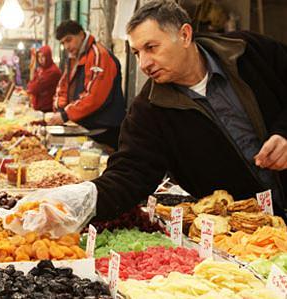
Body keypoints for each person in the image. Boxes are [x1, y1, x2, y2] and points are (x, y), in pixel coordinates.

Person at [89, 0, 287, 220]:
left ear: (184, 35)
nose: (144, 64)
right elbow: (129, 174)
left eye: (151, 48)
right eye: (136, 53)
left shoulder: (248, 50)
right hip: (246, 236)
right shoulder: (148, 110)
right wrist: (78, 201)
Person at [49, 20, 126, 150]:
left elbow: (95, 96)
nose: (66, 46)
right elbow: (63, 87)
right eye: (63, 43)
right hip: (85, 128)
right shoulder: (74, 57)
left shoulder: (98, 55)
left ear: (81, 34)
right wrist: (59, 109)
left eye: (69, 40)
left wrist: (65, 114)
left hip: (104, 130)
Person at [27, 45, 62, 113]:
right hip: (39, 107)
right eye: (39, 57)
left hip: (47, 109)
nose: (40, 59)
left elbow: (33, 88)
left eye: (43, 56)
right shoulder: (41, 69)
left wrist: (31, 85)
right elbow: (30, 85)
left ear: (48, 56)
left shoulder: (53, 71)